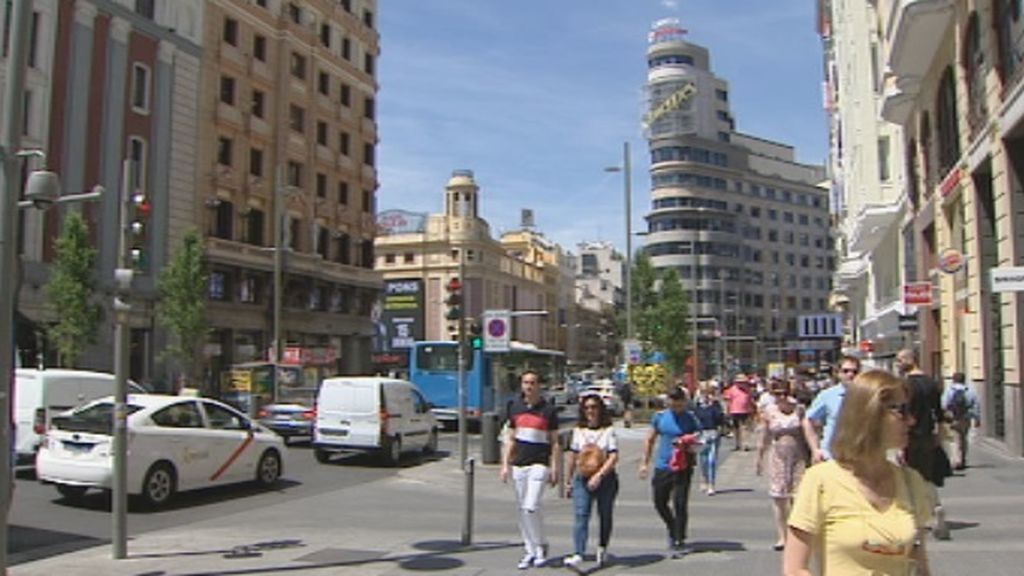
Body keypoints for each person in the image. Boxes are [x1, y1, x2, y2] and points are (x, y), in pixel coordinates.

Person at [783, 370, 934, 576]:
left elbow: (920, 565)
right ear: (871, 414)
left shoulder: (910, 481)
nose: (911, 421)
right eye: (902, 411)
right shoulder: (821, 481)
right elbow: (795, 569)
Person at [500, 370, 562, 569]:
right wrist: (504, 464)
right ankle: (530, 550)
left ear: (539, 385)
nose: (529, 386)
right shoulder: (514, 407)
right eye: (526, 382)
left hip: (539, 463)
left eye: (533, 382)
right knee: (522, 510)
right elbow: (510, 438)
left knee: (531, 506)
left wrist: (555, 467)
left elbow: (555, 442)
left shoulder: (548, 410)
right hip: (519, 464)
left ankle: (541, 545)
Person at [639, 387, 703, 556]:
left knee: (680, 503)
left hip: (683, 465)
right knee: (659, 501)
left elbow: (700, 438)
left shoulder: (690, 418)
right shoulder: (660, 417)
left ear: (684, 402)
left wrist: (690, 442)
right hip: (663, 465)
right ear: (668, 402)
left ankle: (678, 539)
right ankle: (672, 525)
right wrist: (644, 463)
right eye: (673, 404)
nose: (677, 408)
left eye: (679, 405)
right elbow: (650, 439)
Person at [896, 348, 949, 540]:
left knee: (909, 476)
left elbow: (904, 412)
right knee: (927, 474)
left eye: (900, 360)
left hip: (911, 435)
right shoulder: (931, 382)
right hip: (928, 434)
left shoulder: (906, 385)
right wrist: (939, 435)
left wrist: (900, 443)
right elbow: (939, 412)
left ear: (910, 360)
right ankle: (936, 507)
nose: (898, 363)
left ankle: (919, 515)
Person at [563, 394, 619, 569]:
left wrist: (599, 475)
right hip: (582, 478)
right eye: (587, 408)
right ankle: (578, 552)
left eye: (594, 407)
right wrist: (568, 480)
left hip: (606, 479)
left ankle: (602, 547)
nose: (590, 411)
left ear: (600, 409)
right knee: (581, 515)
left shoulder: (609, 430)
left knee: (605, 514)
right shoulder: (578, 431)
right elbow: (573, 456)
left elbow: (613, 456)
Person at [756, 380, 809, 551]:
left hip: (798, 455)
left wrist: (814, 453)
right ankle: (782, 536)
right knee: (779, 498)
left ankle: (796, 535)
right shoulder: (769, 412)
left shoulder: (799, 410)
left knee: (797, 496)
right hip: (778, 454)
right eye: (777, 394)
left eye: (784, 393)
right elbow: (765, 435)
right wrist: (759, 457)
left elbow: (807, 433)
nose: (782, 397)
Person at [802, 355, 861, 463]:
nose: (850, 375)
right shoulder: (828, 395)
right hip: (831, 456)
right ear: (838, 373)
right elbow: (808, 420)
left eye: (854, 371)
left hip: (859, 456)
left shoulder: (866, 395)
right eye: (846, 371)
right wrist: (815, 449)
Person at [692, 382, 726, 495]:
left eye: (709, 392)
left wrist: (714, 403)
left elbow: (720, 417)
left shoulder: (716, 404)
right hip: (701, 434)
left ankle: (711, 484)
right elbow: (695, 419)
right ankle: (704, 479)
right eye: (703, 392)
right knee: (703, 459)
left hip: (713, 433)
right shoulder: (697, 405)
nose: (706, 395)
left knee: (712, 460)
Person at [941, 372, 979, 470]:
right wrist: (977, 419)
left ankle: (956, 460)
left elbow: (944, 404)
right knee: (964, 438)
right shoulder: (970, 391)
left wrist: (944, 416)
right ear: (964, 380)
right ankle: (963, 459)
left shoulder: (949, 390)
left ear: (953, 380)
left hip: (953, 418)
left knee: (954, 439)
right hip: (966, 418)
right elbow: (975, 405)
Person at [722, 375, 754, 450]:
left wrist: (751, 410)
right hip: (734, 411)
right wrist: (727, 411)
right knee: (736, 429)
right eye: (740, 382)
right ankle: (737, 444)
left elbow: (750, 401)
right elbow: (728, 401)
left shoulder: (748, 390)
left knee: (745, 428)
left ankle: (745, 444)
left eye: (743, 382)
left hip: (745, 411)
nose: (742, 384)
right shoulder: (732, 390)